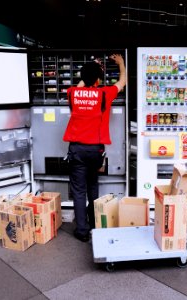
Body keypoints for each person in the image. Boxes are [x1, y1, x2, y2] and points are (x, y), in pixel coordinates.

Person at [63, 54, 126, 242]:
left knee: (79, 191)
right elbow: (123, 82)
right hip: (96, 151)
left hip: (77, 150)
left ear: (83, 77)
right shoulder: (104, 94)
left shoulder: (72, 93)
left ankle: (82, 231)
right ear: (99, 80)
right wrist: (121, 64)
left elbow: (81, 87)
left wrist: (90, 71)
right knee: (92, 186)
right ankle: (95, 224)